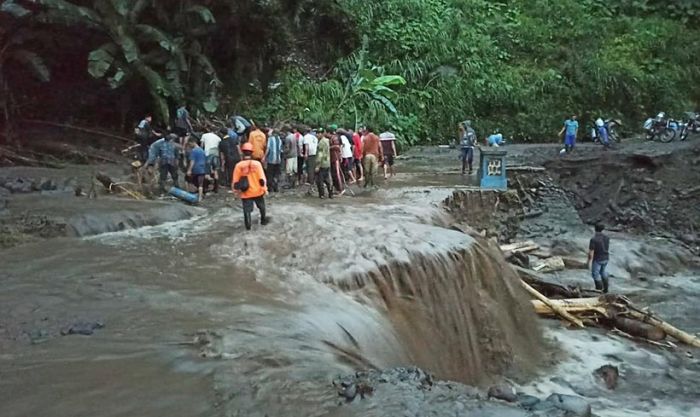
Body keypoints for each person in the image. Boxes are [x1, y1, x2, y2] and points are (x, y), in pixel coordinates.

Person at [232, 142, 268, 230]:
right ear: (252, 152)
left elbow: (235, 181)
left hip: (246, 192)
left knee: (247, 211)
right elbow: (262, 179)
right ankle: (263, 221)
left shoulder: (238, 165)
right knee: (262, 207)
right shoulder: (257, 164)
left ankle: (248, 228)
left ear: (243, 152)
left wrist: (235, 192)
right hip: (258, 191)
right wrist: (265, 189)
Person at [588, 224, 611, 293]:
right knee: (603, 272)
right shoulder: (607, 237)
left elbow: (591, 252)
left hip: (597, 259)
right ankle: (606, 289)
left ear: (594, 229)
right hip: (606, 257)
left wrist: (588, 262)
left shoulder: (593, 239)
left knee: (595, 274)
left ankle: (598, 290)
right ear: (603, 229)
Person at [264, 128, 283, 192]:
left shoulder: (270, 139)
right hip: (278, 160)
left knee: (270, 174)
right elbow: (280, 150)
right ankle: (276, 187)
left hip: (271, 160)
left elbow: (268, 149)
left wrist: (264, 157)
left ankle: (270, 188)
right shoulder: (279, 140)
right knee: (276, 174)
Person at [315, 131, 333, 198]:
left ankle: (322, 194)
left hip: (322, 164)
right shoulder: (327, 141)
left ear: (321, 134)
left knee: (320, 180)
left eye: (318, 133)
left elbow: (320, 155)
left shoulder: (321, 143)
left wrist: (317, 166)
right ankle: (330, 193)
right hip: (327, 162)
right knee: (327, 179)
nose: (317, 135)